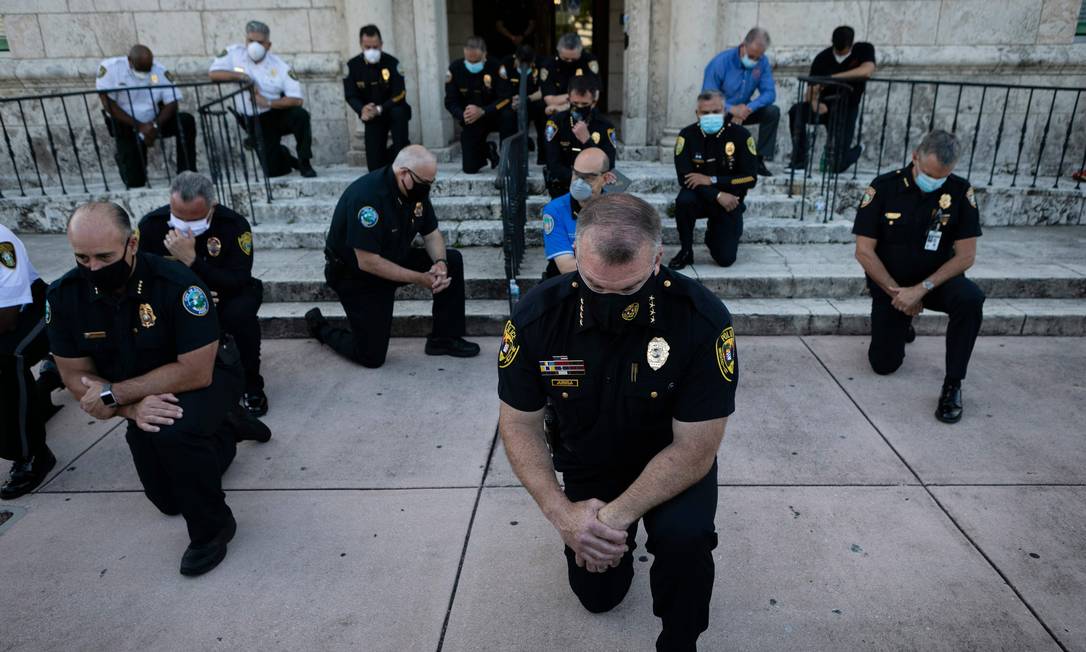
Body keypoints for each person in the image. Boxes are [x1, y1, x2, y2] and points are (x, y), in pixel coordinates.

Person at [498, 193, 737, 652]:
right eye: (593, 284)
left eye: (627, 289)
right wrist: (565, 517)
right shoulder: (538, 317)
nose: (608, 302)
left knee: (684, 541)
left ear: (657, 260)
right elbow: (519, 425)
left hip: (671, 461)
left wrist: (611, 518)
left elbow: (696, 449)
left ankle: (680, 641)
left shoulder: (700, 321)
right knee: (598, 597)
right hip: (590, 461)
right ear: (578, 253)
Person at [46, 202, 270, 576]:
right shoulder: (65, 296)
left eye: (104, 256)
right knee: (169, 500)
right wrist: (130, 408)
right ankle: (226, 430)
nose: (93, 268)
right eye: (82, 258)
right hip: (138, 393)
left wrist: (117, 394)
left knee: (173, 432)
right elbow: (75, 375)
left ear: (132, 244)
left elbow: (196, 371)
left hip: (210, 376)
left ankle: (213, 528)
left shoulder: (177, 284)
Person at [853, 130, 984, 423]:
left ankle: (953, 384)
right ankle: (903, 323)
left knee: (971, 299)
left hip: (936, 282)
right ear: (915, 157)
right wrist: (899, 295)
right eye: (928, 174)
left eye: (942, 176)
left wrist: (921, 289)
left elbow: (966, 256)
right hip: (892, 285)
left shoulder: (960, 192)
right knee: (883, 364)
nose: (933, 182)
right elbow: (864, 252)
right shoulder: (883, 188)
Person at [306, 145, 480, 366]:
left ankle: (444, 338)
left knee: (452, 259)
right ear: (404, 173)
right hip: (356, 275)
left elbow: (431, 234)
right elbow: (368, 262)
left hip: (392, 257)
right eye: (425, 182)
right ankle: (320, 328)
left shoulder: (414, 189)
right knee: (371, 357)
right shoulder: (368, 198)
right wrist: (420, 279)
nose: (428, 188)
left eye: (431, 182)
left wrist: (440, 263)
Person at [137, 172, 268, 417]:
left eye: (194, 218)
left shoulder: (233, 225)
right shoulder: (151, 227)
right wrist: (190, 294)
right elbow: (143, 279)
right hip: (175, 300)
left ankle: (251, 384)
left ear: (212, 206)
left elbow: (239, 278)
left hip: (225, 294)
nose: (186, 226)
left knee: (242, 311)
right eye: (178, 218)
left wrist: (192, 260)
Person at [209, 20, 316, 178]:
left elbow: (296, 99)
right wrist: (242, 77)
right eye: (250, 41)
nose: (254, 46)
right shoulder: (235, 54)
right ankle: (286, 156)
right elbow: (213, 74)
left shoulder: (279, 66)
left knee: (300, 115)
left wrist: (268, 102)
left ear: (268, 45)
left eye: (259, 42)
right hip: (252, 119)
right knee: (273, 172)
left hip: (274, 113)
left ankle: (305, 161)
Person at [668, 91, 759, 270]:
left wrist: (712, 180)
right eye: (705, 113)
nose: (711, 117)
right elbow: (685, 178)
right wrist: (717, 194)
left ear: (724, 111)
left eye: (716, 112)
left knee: (725, 259)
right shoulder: (687, 136)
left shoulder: (740, 136)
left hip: (730, 201)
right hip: (701, 197)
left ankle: (715, 233)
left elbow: (750, 178)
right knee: (683, 201)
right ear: (697, 114)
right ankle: (686, 251)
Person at [96, 44, 197, 189]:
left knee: (185, 121)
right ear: (130, 60)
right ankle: (123, 158)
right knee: (135, 182)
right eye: (141, 69)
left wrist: (154, 125)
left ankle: (187, 174)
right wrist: (140, 126)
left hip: (153, 121)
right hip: (126, 124)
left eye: (147, 69)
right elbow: (108, 104)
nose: (145, 73)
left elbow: (172, 101)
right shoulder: (111, 68)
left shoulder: (159, 70)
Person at [0, 225, 53, 499]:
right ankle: (37, 398)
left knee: (7, 358)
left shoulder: (2, 242)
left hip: (32, 308)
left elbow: (6, 320)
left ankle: (32, 453)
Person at [788, 26, 875, 173]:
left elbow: (867, 70)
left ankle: (857, 149)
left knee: (837, 165)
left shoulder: (863, 49)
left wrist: (832, 78)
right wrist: (815, 104)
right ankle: (799, 159)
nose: (840, 53)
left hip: (847, 108)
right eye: (837, 49)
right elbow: (811, 90)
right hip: (825, 106)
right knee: (796, 111)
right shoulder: (823, 58)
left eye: (844, 50)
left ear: (852, 44)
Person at [701, 27, 777, 176]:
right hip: (720, 111)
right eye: (751, 56)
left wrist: (748, 108)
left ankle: (758, 160)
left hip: (744, 111)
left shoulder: (762, 62)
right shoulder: (720, 62)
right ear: (743, 45)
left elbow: (770, 93)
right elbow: (707, 96)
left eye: (758, 57)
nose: (754, 60)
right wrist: (731, 109)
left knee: (772, 112)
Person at [344, 24, 412, 172]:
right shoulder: (352, 66)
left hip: (392, 110)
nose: (372, 51)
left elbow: (400, 93)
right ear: (361, 45)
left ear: (381, 44)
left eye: (375, 46)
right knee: (374, 165)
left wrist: (380, 108)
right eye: (367, 47)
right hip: (372, 115)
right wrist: (362, 109)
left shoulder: (393, 63)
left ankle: (403, 154)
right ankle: (387, 160)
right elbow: (350, 94)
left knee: (399, 113)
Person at [444, 36, 516, 174]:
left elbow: (506, 97)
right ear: (464, 52)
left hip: (494, 113)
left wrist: (483, 111)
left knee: (509, 116)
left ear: (484, 54)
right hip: (471, 118)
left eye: (476, 60)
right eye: (469, 60)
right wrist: (463, 115)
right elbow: (450, 101)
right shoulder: (455, 68)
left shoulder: (496, 66)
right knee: (469, 169)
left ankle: (508, 160)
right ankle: (488, 149)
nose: (472, 63)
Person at [542, 148, 614, 278]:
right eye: (576, 174)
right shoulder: (555, 210)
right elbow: (566, 267)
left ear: (605, 178)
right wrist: (612, 265)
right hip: (567, 284)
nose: (579, 183)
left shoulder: (617, 209)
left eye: (588, 178)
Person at [543, 75, 616, 199]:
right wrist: (577, 182)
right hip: (563, 185)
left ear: (593, 102)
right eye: (575, 103)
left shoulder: (605, 126)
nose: (580, 107)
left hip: (594, 187)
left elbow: (608, 164)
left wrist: (588, 141)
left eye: (585, 104)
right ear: (568, 99)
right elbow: (553, 163)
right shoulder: (556, 123)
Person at [500, 44, 547, 165]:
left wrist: (526, 99)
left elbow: (544, 90)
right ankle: (509, 157)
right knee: (507, 116)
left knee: (543, 114)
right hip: (513, 102)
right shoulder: (506, 63)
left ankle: (543, 155)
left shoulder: (542, 64)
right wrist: (513, 100)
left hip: (533, 101)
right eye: (520, 62)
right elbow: (502, 87)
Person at [541, 32, 600, 117]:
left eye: (573, 59)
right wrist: (580, 96)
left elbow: (595, 96)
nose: (569, 62)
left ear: (580, 51)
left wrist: (565, 107)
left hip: (585, 110)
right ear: (559, 51)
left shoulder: (589, 61)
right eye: (565, 58)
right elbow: (550, 100)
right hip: (558, 114)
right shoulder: (549, 65)